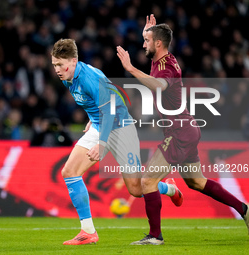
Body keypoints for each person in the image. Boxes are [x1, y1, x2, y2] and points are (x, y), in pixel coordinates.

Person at [116, 14, 249, 245]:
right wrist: (148, 32)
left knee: (147, 181)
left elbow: (158, 85)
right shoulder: (161, 58)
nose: (143, 44)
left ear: (158, 44)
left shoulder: (166, 66)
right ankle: (244, 209)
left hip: (178, 133)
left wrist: (130, 68)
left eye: (147, 41)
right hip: (186, 129)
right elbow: (154, 56)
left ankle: (155, 236)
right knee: (196, 182)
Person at [51, 38, 183, 245]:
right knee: (69, 172)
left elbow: (110, 109)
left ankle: (170, 188)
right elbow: (100, 101)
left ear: (74, 60)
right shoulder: (69, 76)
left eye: (60, 64)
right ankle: (88, 232)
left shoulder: (89, 78)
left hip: (121, 127)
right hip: (100, 124)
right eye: (55, 65)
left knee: (136, 189)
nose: (57, 69)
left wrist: (101, 144)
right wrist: (91, 119)